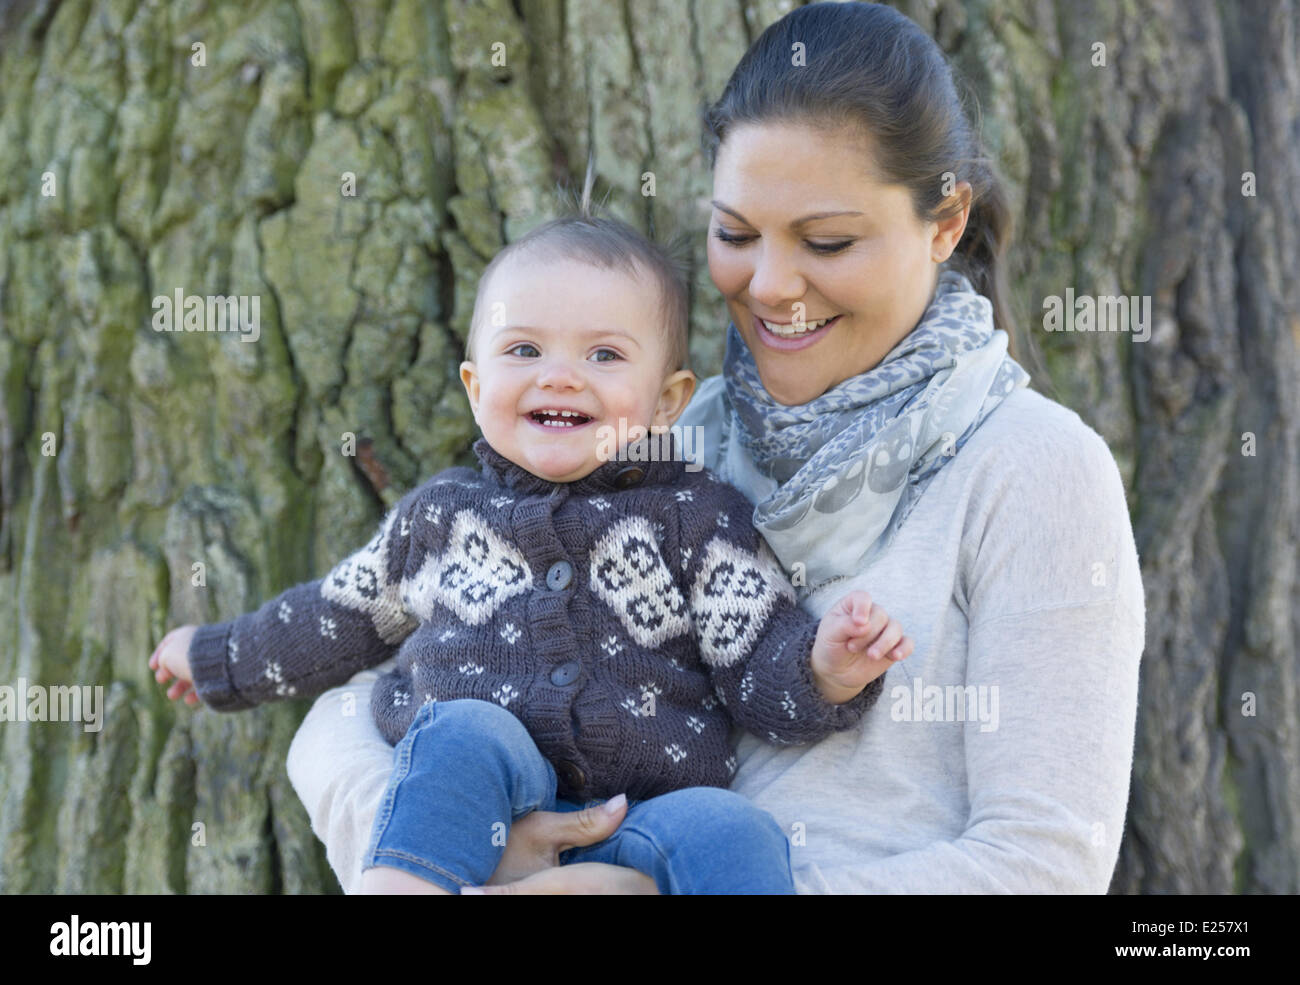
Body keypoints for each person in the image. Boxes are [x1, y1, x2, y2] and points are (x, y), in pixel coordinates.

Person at [218, 0, 1147, 894]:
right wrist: (467, 845)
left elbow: (1048, 863)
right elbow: (346, 713)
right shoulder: (656, 440)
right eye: (735, 234)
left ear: (945, 224)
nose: (772, 285)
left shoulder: (1032, 469)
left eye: (826, 241)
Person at [149, 206, 916, 894]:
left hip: (641, 817)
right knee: (459, 733)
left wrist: (825, 667)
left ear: (667, 400)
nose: (559, 375)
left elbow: (755, 656)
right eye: (524, 349)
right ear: (475, 384)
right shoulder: (442, 519)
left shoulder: (697, 517)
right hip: (481, 809)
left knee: (735, 829)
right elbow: (332, 615)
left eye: (604, 357)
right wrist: (216, 657)